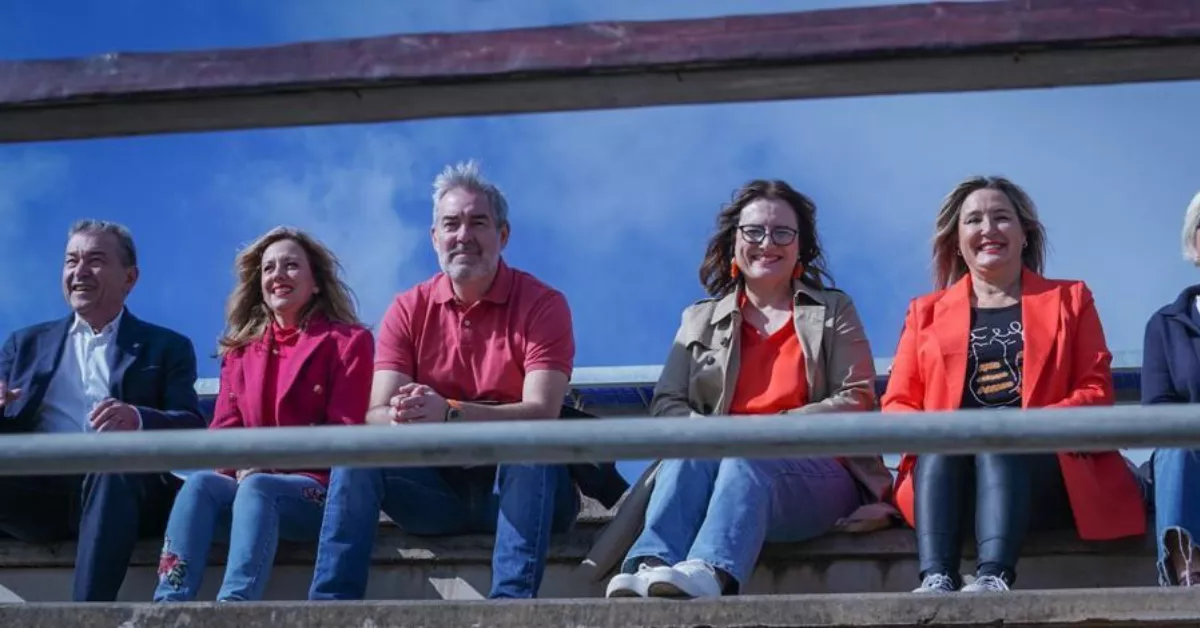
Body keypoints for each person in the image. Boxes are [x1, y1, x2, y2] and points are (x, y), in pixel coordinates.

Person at [602, 180, 896, 599]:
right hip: (717, 464)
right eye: (753, 231)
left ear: (801, 248)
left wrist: (768, 429)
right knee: (690, 451)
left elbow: (855, 396)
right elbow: (668, 402)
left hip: (814, 474)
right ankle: (652, 563)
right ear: (734, 242)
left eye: (782, 232)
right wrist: (711, 432)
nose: (767, 242)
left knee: (745, 451)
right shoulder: (698, 318)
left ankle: (709, 571)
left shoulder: (833, 310)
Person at [307, 160, 580, 600]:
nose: (463, 235)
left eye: (478, 222)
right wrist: (406, 415)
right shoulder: (408, 307)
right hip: (435, 494)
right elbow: (376, 413)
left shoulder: (543, 304)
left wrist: (449, 413)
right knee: (356, 451)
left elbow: (542, 411)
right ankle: (329, 607)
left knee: (533, 447)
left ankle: (509, 609)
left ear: (503, 235)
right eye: (450, 224)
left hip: (522, 490)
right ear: (434, 238)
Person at [883, 175, 1146, 594]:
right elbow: (898, 403)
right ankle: (936, 577)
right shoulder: (925, 312)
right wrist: (947, 430)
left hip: (1044, 473)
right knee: (943, 442)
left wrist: (1022, 427)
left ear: (1025, 234)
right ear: (956, 240)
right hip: (949, 482)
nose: (988, 229)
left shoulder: (1070, 300)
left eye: (1001, 218)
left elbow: (1096, 392)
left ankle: (994, 578)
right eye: (973, 220)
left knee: (999, 441)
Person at [153, 227, 372, 602]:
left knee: (259, 487)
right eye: (269, 268)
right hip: (247, 483)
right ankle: (168, 604)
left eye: (291, 266)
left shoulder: (348, 343)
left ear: (315, 282)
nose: (278, 276)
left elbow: (344, 433)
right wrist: (242, 465)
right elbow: (223, 434)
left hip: (317, 490)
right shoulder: (240, 353)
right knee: (200, 485)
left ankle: (235, 607)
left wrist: (266, 463)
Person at [0, 219, 205, 601]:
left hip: (127, 494)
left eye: (94, 260)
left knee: (111, 460)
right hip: (39, 496)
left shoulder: (166, 346)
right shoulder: (24, 344)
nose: (78, 271)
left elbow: (192, 423)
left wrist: (138, 418)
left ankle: (88, 617)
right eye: (71, 260)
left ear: (130, 278)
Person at [1141, 189, 1200, 587]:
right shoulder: (1165, 324)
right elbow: (1158, 409)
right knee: (1176, 447)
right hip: (1193, 449)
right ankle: (1189, 575)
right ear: (1195, 245)